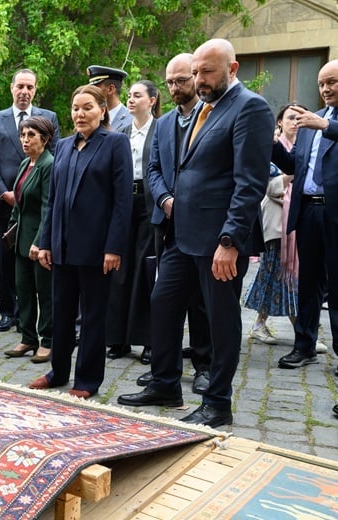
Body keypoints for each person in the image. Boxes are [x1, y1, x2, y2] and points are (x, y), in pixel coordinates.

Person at [118, 39, 274, 427]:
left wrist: (230, 241)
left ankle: (217, 403)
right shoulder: (205, 108)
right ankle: (165, 384)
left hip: (218, 241)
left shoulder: (250, 108)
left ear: (232, 69)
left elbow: (249, 183)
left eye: (207, 72)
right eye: (196, 72)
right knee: (163, 303)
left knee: (221, 321)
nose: (200, 79)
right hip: (181, 236)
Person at [28, 84, 132, 398]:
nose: (80, 114)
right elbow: (53, 200)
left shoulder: (116, 143)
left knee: (92, 317)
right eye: (75, 108)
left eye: (87, 107)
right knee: (61, 312)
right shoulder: (63, 146)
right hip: (61, 246)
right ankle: (58, 371)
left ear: (102, 110)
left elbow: (122, 201)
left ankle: (87, 380)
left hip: (97, 249)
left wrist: (114, 247)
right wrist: (46, 242)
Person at [134, 53, 213, 396]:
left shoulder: (213, 116)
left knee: (201, 301)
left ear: (195, 77)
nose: (175, 87)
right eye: (169, 82)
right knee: (163, 298)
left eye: (181, 80)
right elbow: (153, 168)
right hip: (167, 223)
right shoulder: (163, 123)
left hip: (204, 225)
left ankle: (205, 367)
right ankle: (163, 374)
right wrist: (165, 199)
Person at [272, 60, 338, 376]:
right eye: (321, 83)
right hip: (309, 210)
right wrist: (272, 146)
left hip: (335, 213)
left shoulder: (319, 122)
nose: (325, 88)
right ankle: (304, 346)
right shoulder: (313, 121)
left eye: (332, 82)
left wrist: (325, 126)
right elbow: (294, 166)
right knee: (308, 283)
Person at [0, 69, 61, 333]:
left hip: (38, 204)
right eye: (20, 86)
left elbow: (56, 157)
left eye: (30, 87)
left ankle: (31, 319)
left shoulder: (49, 117)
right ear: (12, 87)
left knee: (36, 263)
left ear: (35, 89)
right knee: (6, 262)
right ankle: (8, 312)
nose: (25, 91)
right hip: (5, 202)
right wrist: (5, 193)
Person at [106, 80, 160, 363]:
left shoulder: (161, 129)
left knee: (145, 271)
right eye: (129, 95)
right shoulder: (122, 133)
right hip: (124, 202)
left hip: (150, 204)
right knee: (120, 269)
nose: (130, 99)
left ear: (152, 100)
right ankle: (118, 338)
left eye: (137, 95)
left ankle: (148, 339)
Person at [244, 103, 306, 346]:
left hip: (299, 221)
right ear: (279, 122)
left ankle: (263, 324)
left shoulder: (305, 148)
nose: (295, 123)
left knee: (280, 276)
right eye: (290, 118)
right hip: (276, 222)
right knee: (275, 273)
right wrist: (296, 171)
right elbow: (269, 187)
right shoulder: (271, 147)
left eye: (300, 118)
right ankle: (300, 329)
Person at [3, 116, 55, 363]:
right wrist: (10, 230)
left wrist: (40, 241)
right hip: (21, 240)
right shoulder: (26, 163)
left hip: (39, 242)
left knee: (44, 292)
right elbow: (18, 201)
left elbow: (47, 207)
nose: (25, 140)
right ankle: (28, 338)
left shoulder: (48, 165)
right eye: (23, 135)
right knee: (23, 290)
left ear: (44, 139)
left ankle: (48, 340)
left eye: (31, 135)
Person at [87, 65, 131, 131]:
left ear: (110, 89)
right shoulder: (90, 117)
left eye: (95, 89)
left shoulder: (131, 120)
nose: (91, 92)